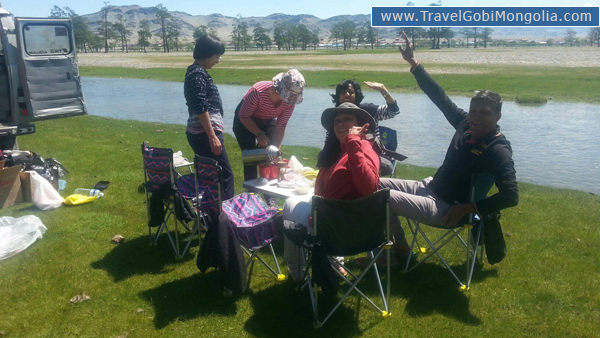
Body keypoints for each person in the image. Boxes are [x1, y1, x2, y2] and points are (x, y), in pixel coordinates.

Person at [383, 32, 519, 261]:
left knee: (381, 198)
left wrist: (469, 208)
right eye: (474, 111)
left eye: (484, 113)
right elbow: (440, 98)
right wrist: (412, 62)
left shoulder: (497, 149)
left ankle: (396, 252)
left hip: (447, 208)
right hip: (429, 187)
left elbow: (511, 196)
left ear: (498, 116)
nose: (476, 118)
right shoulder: (465, 124)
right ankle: (397, 249)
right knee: (370, 182)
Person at [283, 102, 380, 282]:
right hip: (344, 224)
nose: (341, 124)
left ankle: (296, 272)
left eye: (347, 119)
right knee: (299, 201)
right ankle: (335, 265)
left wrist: (353, 141)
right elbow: (322, 194)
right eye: (337, 121)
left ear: (360, 125)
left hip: (341, 232)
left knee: (289, 203)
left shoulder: (363, 148)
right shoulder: (339, 151)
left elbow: (369, 188)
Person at [184, 35, 234, 200]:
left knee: (210, 176)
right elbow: (200, 107)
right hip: (205, 134)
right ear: (207, 54)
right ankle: (225, 217)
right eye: (216, 57)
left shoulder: (197, 72)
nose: (218, 61)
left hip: (201, 133)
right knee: (224, 176)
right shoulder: (197, 74)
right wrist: (212, 136)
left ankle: (211, 215)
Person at [233, 69, 305, 182]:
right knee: (250, 159)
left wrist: (275, 151)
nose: (288, 100)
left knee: (271, 157)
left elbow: (281, 125)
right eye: (287, 96)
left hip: (267, 119)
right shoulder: (257, 91)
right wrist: (259, 134)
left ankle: (271, 196)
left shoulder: (290, 102)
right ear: (278, 90)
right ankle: (251, 193)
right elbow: (243, 116)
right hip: (245, 120)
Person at [318, 80, 402, 174]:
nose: (347, 94)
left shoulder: (367, 110)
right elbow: (329, 141)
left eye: (351, 92)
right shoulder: (334, 114)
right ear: (338, 96)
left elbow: (393, 111)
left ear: (356, 94)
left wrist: (382, 89)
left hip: (370, 155)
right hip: (343, 155)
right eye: (343, 92)